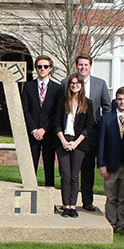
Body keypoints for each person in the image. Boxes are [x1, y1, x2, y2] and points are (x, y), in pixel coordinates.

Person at [63, 55, 111, 212]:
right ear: (76, 66)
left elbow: (107, 107)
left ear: (90, 66)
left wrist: (102, 126)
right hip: (69, 133)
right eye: (80, 65)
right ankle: (69, 202)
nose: (83, 67)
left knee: (88, 167)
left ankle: (87, 200)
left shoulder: (100, 84)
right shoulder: (66, 83)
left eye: (86, 65)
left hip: (90, 132)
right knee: (70, 170)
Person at [54, 73, 97, 218]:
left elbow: (89, 125)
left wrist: (76, 142)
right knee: (65, 175)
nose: (74, 85)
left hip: (79, 143)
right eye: (72, 83)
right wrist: (64, 141)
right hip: (63, 141)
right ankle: (66, 205)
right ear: (69, 85)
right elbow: (56, 123)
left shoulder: (87, 103)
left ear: (82, 85)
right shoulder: (62, 101)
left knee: (74, 176)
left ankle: (73, 205)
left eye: (77, 83)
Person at [21, 55, 61, 188]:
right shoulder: (28, 86)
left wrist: (44, 129)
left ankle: (48, 198)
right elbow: (25, 110)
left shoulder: (57, 88)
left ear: (50, 69)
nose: (42, 69)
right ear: (35, 69)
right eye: (39, 66)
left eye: (45, 66)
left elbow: (57, 112)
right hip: (32, 134)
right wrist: (34, 130)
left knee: (49, 167)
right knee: (31, 167)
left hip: (49, 134)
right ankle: (28, 196)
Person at [97, 87, 124, 232]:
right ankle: (111, 222)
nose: (122, 102)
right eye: (119, 99)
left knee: (123, 198)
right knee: (111, 197)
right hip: (110, 164)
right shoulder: (106, 118)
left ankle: (122, 223)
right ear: (115, 100)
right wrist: (101, 164)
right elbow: (101, 143)